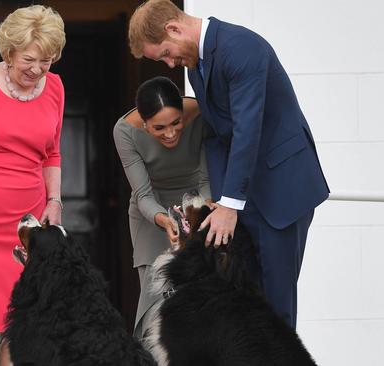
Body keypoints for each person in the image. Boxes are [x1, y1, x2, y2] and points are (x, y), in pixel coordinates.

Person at [128, 0, 330, 328]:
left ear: (174, 28)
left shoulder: (242, 48)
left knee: (276, 311)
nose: (169, 63)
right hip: (241, 197)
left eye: (165, 53)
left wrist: (230, 204)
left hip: (281, 191)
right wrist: (219, 201)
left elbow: (247, 130)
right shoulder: (196, 64)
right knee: (243, 307)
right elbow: (218, 136)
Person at [0, 5, 66, 366]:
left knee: (20, 318)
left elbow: (52, 152)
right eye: (29, 60)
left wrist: (55, 201)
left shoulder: (54, 87)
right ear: (8, 52)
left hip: (29, 223)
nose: (37, 70)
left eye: (47, 61)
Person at [113, 76, 211, 341]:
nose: (170, 133)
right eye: (159, 128)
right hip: (152, 213)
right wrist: (165, 220)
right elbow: (142, 194)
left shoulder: (201, 112)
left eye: (176, 123)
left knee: (200, 293)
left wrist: (199, 215)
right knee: (156, 298)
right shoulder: (124, 131)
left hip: (198, 203)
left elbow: (205, 180)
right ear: (144, 125)